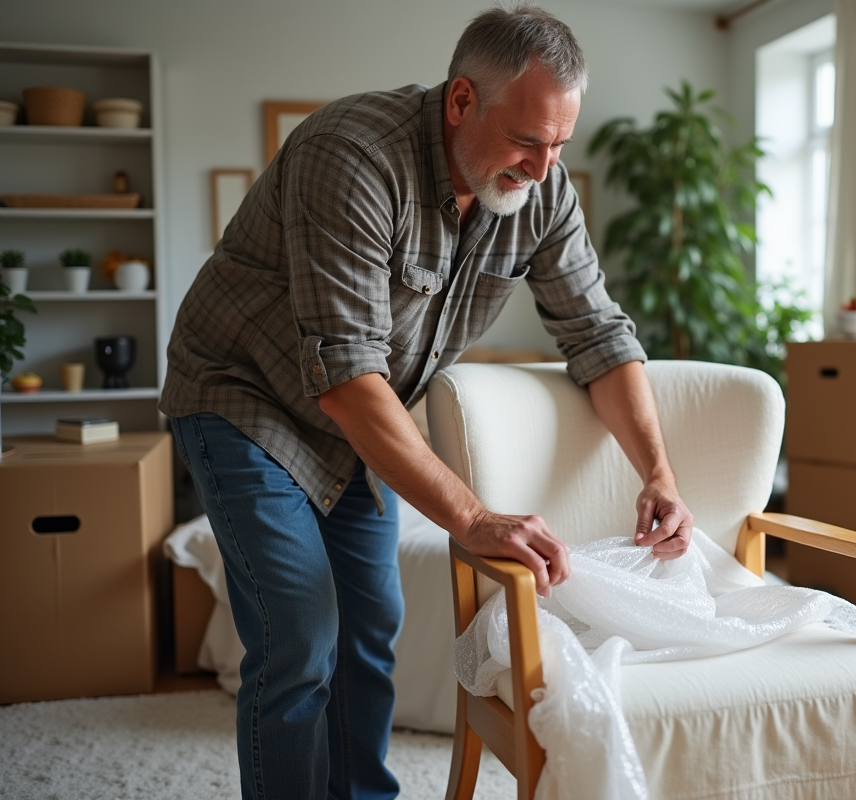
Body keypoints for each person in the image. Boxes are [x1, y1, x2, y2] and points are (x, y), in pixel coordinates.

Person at [160, 5, 694, 800]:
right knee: (302, 637)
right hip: (245, 400)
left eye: (559, 145)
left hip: (359, 425)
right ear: (460, 101)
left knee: (372, 630)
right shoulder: (351, 156)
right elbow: (344, 378)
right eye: (526, 141)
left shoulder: (541, 189)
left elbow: (598, 334)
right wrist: (475, 518)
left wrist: (658, 471)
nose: (543, 167)